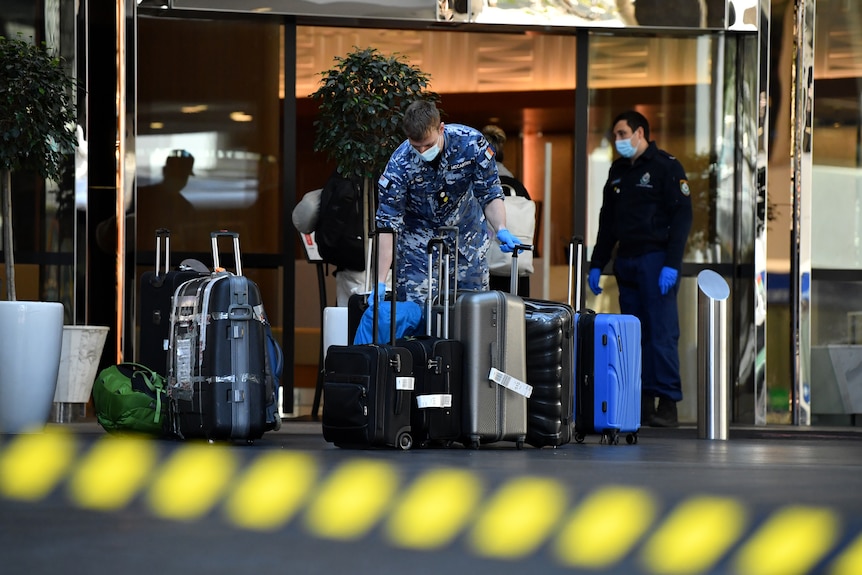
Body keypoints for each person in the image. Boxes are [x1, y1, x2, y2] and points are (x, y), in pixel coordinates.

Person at [587, 110, 692, 427]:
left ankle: (668, 403)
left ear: (640, 133)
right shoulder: (618, 172)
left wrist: (671, 264)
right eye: (615, 136)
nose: (618, 141)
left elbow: (682, 218)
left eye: (622, 134)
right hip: (627, 262)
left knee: (661, 333)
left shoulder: (666, 167)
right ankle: (643, 401)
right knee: (632, 335)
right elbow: (608, 223)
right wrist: (597, 263)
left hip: (656, 260)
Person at [373, 100, 519, 307]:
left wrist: (501, 228)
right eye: (416, 146)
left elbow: (489, 192)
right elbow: (388, 225)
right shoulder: (398, 165)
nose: (422, 152)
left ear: (441, 128)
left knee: (473, 309)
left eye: (428, 145)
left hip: (466, 235)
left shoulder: (471, 144)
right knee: (417, 311)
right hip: (418, 240)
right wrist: (379, 281)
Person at [291, 175, 367, 307]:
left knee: (346, 318)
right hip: (377, 263)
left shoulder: (343, 178)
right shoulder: (385, 176)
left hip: (348, 263)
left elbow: (303, 218)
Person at [481, 124, 534, 296]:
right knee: (516, 315)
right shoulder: (519, 187)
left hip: (486, 269)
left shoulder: (480, 185)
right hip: (516, 266)